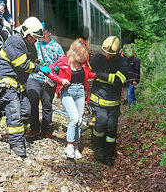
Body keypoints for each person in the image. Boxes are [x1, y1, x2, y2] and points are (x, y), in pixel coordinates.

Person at [0, 17, 51, 158]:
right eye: (34, 37)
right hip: (5, 82)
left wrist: (41, 64)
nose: (35, 40)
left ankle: (18, 136)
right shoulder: (15, 42)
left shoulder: (30, 44)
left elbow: (34, 60)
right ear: (26, 33)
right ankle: (17, 145)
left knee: (26, 111)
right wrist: (39, 68)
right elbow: (22, 64)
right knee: (15, 113)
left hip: (18, 85)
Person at [47, 39, 96, 159]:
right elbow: (50, 72)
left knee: (79, 120)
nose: (82, 60)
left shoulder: (84, 63)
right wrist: (61, 80)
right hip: (67, 91)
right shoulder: (63, 60)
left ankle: (75, 146)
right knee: (74, 118)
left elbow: (88, 74)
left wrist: (100, 76)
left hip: (80, 92)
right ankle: (69, 146)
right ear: (74, 52)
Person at [89, 36, 128, 165]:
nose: (108, 56)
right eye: (106, 53)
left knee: (111, 130)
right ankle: (98, 148)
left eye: (111, 54)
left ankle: (109, 154)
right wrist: (109, 77)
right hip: (98, 100)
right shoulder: (97, 58)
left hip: (113, 103)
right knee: (100, 125)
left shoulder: (122, 62)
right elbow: (89, 71)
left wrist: (100, 76)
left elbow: (121, 80)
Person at [26, 23, 64, 138]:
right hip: (34, 77)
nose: (42, 33)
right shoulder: (35, 45)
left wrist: (54, 70)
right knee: (33, 101)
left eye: (44, 31)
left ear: (49, 33)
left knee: (47, 105)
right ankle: (34, 128)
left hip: (50, 80)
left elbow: (62, 62)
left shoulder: (57, 47)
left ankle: (46, 130)